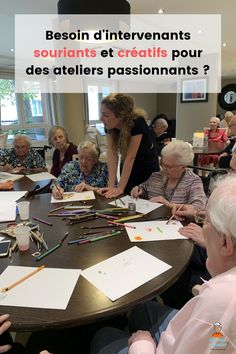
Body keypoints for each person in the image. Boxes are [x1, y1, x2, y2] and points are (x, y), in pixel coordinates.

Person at [91, 174, 236, 353]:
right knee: (141, 309)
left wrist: (142, 344)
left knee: (103, 335)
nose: (201, 225)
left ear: (225, 243)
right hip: (200, 325)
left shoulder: (218, 303)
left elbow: (214, 339)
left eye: (205, 220)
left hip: (184, 337)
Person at [98, 93, 159, 198]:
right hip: (128, 164)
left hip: (146, 166)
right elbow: (112, 154)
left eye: (106, 115)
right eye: (101, 114)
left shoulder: (137, 122)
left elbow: (131, 157)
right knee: (124, 196)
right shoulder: (109, 125)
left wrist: (120, 188)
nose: (101, 118)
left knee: (142, 199)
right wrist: (111, 186)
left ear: (121, 115)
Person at [131, 140, 207, 211]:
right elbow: (144, 189)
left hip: (177, 223)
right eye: (162, 164)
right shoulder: (156, 176)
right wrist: (139, 190)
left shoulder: (192, 181)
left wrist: (168, 205)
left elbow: (199, 207)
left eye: (169, 166)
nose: (164, 168)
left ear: (183, 167)